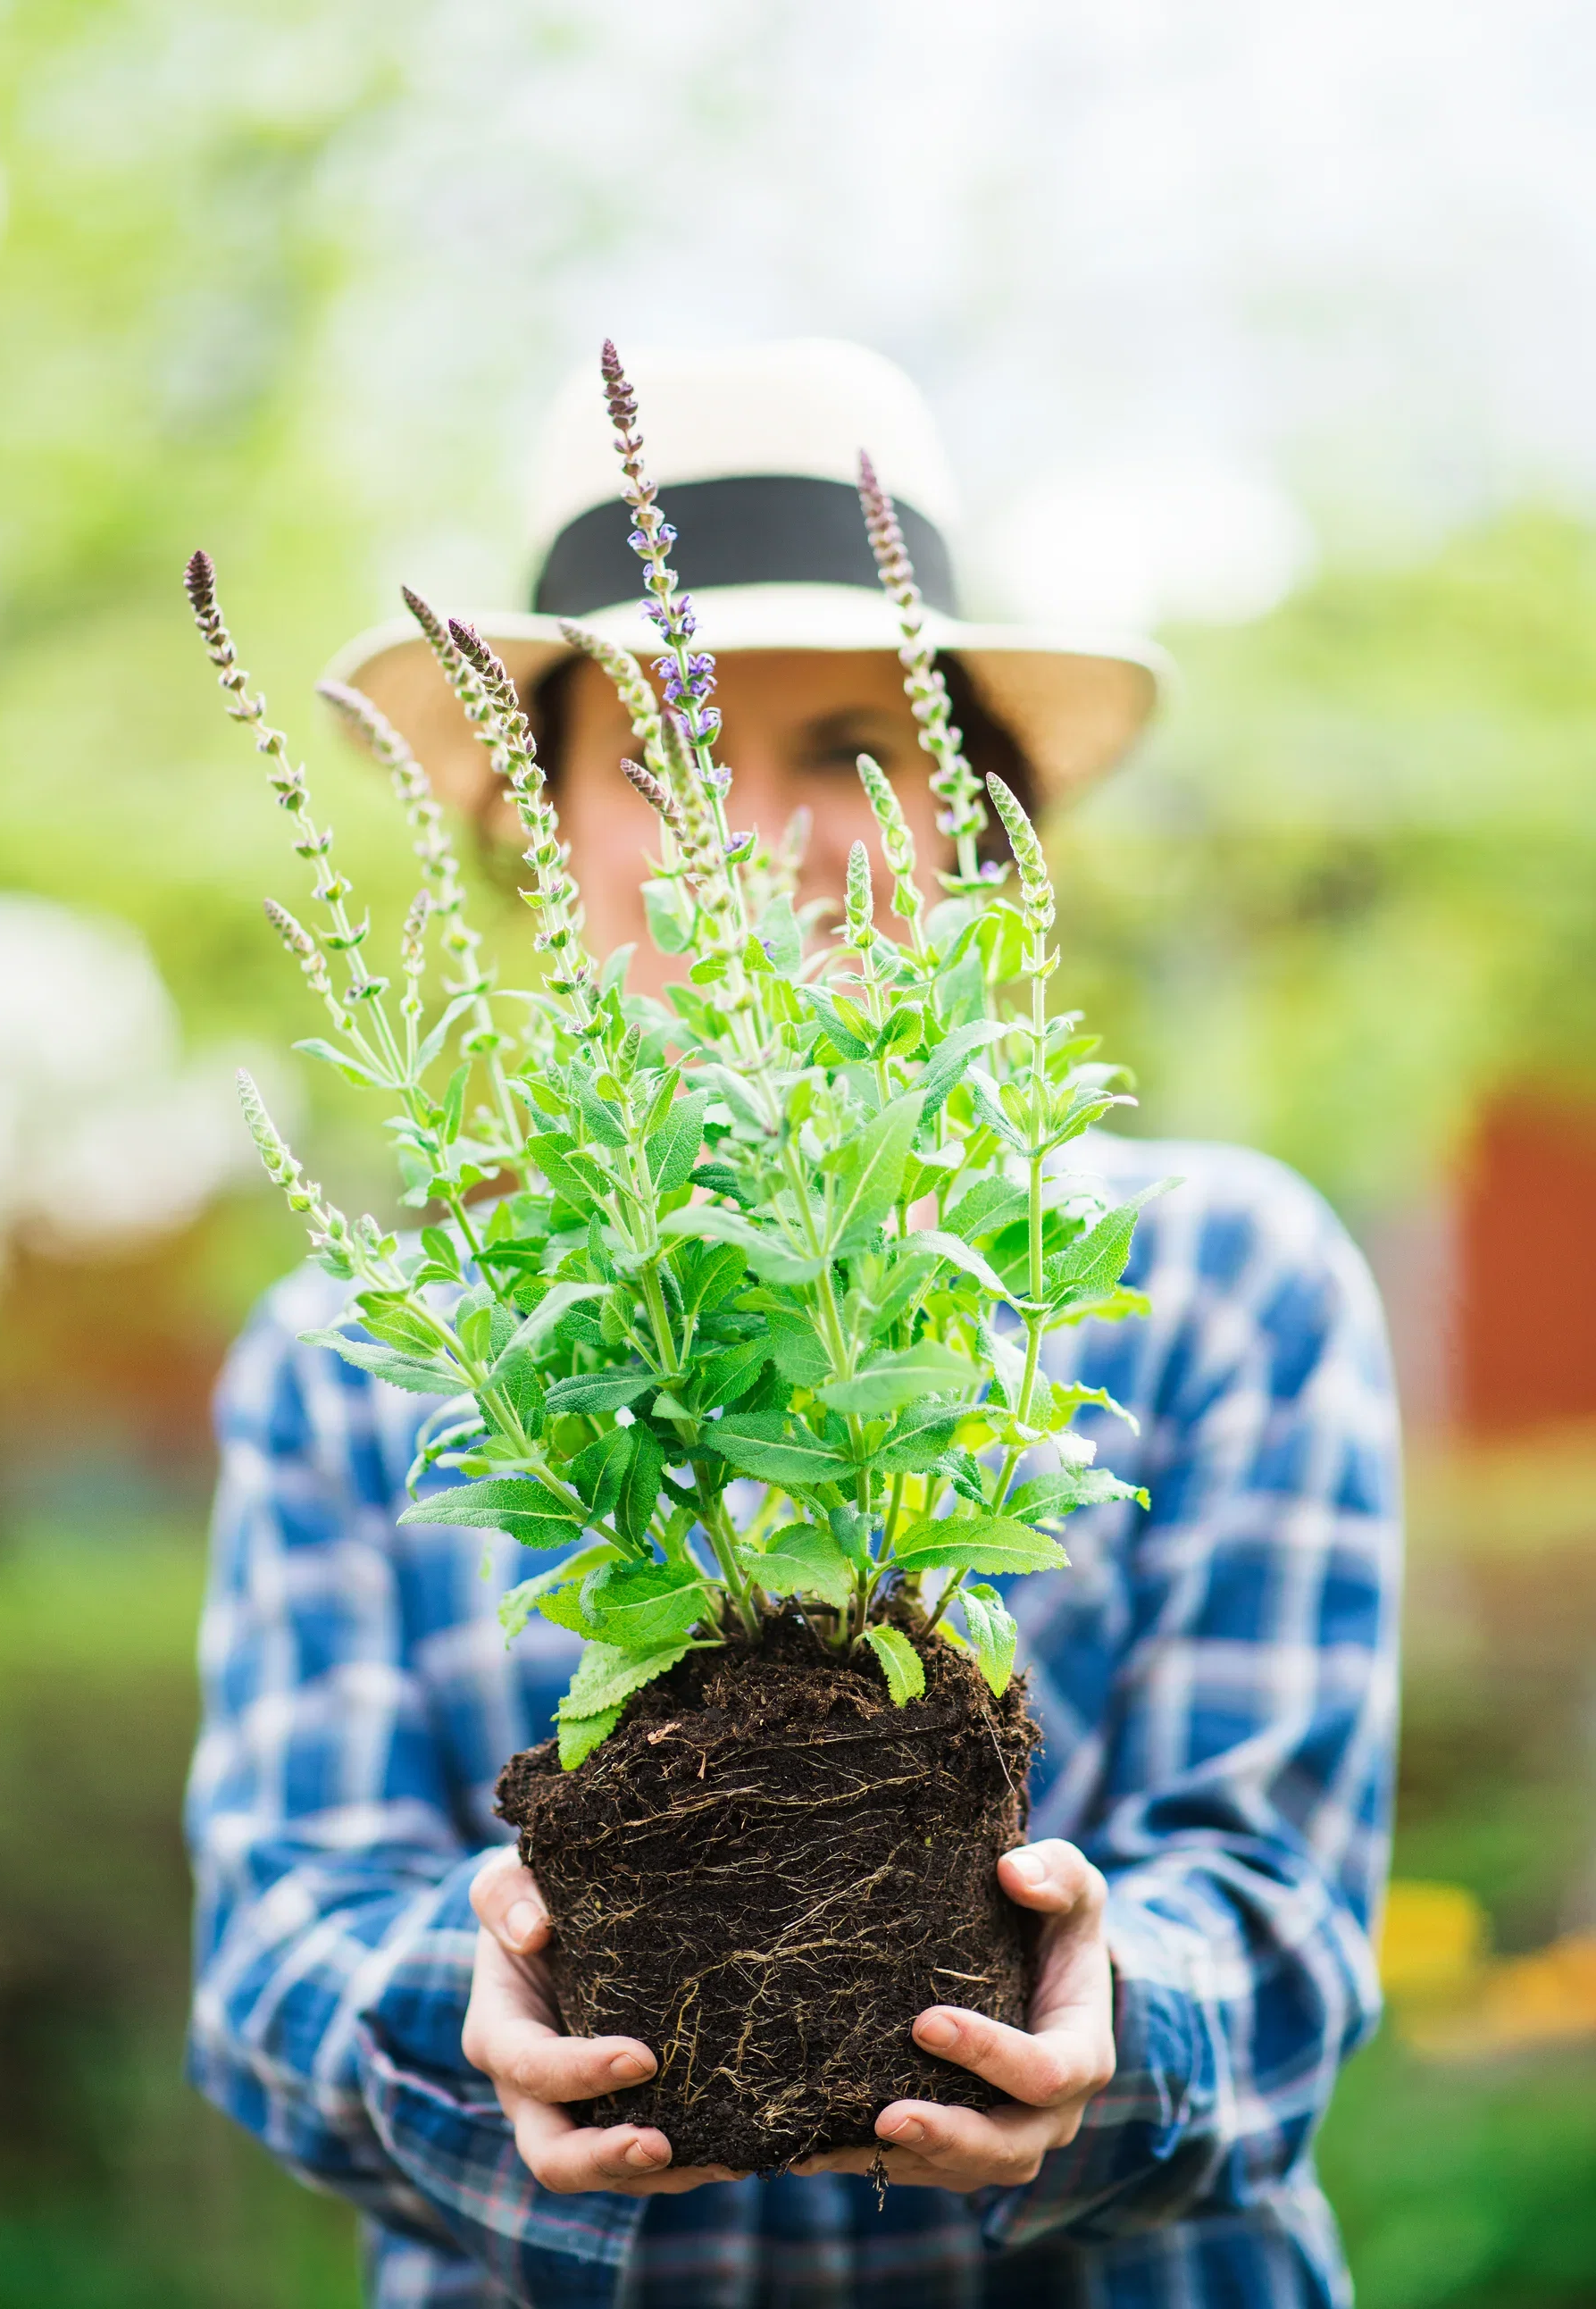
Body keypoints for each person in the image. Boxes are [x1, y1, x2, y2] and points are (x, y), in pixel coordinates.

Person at [185, 341, 1400, 2309]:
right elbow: (270, 1966)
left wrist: (1119, 2022)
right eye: (662, 758)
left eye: (857, 745)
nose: (756, 837)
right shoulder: (369, 1345)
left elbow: (1284, 1923)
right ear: (539, 833)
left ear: (974, 823)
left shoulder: (1223, 1281)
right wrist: (489, 2015)